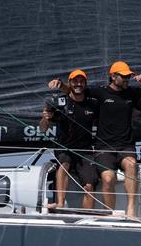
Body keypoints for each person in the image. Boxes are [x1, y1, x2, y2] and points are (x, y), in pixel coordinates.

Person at [51, 61, 141, 217]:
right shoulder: (99, 93)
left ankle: (131, 209)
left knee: (132, 164)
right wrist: (60, 85)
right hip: (104, 147)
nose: (127, 79)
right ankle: (110, 215)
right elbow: (75, 92)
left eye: (128, 76)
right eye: (124, 76)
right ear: (113, 76)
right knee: (108, 179)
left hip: (125, 145)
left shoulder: (132, 92)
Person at [40, 69, 99, 210]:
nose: (78, 84)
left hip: (84, 151)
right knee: (65, 163)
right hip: (64, 147)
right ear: (70, 83)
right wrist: (45, 117)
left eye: (81, 81)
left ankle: (87, 217)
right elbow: (43, 129)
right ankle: (60, 203)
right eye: (75, 81)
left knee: (90, 185)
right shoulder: (61, 103)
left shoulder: (92, 103)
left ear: (85, 84)